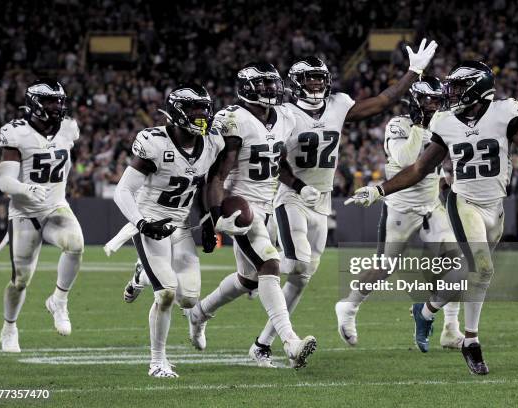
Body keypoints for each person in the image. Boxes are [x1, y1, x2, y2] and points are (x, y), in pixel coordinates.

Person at [344, 61, 518, 375]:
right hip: (464, 203)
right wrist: (379, 190)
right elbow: (419, 169)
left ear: (478, 88)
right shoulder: (445, 121)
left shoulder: (505, 113)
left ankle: (427, 309)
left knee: (467, 276)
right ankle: (470, 341)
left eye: (460, 86)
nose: (452, 92)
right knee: (482, 269)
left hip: (495, 207)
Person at [248, 38, 439, 367]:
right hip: (291, 195)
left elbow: (381, 101)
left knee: (303, 275)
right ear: (295, 83)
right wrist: (296, 183)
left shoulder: (337, 105)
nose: (316, 84)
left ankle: (263, 344)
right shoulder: (284, 114)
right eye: (310, 79)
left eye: (320, 78)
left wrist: (414, 72)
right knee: (294, 264)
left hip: (321, 201)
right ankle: (255, 276)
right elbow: (270, 156)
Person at [187, 62, 318, 369]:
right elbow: (217, 175)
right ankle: (289, 342)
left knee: (248, 280)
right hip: (239, 205)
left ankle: (198, 313)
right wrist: (216, 216)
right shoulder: (234, 120)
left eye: (272, 84)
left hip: (267, 204)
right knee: (271, 264)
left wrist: (299, 186)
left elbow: (277, 162)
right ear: (247, 89)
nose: (271, 90)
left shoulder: (284, 117)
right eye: (263, 85)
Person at [336, 76, 463, 351]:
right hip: (402, 206)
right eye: (428, 99)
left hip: (431, 205)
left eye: (437, 99)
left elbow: (438, 162)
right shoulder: (398, 125)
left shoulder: (443, 123)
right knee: (385, 266)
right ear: (416, 100)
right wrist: (418, 126)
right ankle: (348, 306)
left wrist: (445, 179)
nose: (434, 104)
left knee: (457, 263)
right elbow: (407, 162)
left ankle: (451, 328)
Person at [113, 84, 222, 378]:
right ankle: (157, 361)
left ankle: (141, 274)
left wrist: (210, 220)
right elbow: (123, 191)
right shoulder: (154, 143)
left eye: (204, 108)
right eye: (194, 109)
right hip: (151, 220)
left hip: (182, 224)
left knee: (189, 298)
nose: (201, 114)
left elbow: (205, 185)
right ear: (176, 112)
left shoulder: (212, 143)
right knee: (166, 295)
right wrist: (142, 223)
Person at [0, 79, 84, 353]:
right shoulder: (16, 132)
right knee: (20, 280)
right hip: (24, 213)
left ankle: (59, 300)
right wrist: (26, 188)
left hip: (55, 207)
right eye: (50, 101)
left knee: (76, 245)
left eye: (59, 100)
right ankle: (9, 327)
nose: (57, 106)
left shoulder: (69, 128)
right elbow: (5, 181)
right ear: (35, 103)